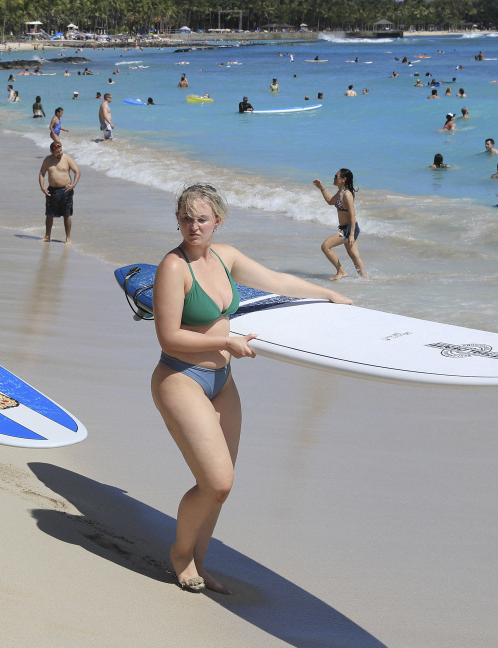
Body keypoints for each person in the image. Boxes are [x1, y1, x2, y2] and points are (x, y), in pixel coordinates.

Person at [149, 184, 351, 592]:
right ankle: (180, 553)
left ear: (216, 221)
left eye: (202, 219)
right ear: (177, 220)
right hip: (180, 378)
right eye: (186, 218)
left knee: (219, 490)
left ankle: (199, 564)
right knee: (217, 482)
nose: (193, 226)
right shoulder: (173, 267)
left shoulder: (226, 257)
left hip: (222, 382)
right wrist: (224, 342)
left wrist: (329, 293)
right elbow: (168, 337)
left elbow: (276, 280)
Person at [312, 169, 367, 280]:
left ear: (343, 179)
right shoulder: (340, 193)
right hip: (347, 228)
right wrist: (321, 188)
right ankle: (365, 280)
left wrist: (351, 234)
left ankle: (341, 271)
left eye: (336, 176)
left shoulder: (347, 194)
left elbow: (352, 215)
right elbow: (330, 201)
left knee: (325, 247)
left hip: (348, 229)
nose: (334, 178)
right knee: (354, 256)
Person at [39, 140, 80, 244]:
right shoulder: (47, 160)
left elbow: (77, 172)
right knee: (49, 214)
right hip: (51, 190)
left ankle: (68, 238)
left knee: (67, 214)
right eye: (57, 152)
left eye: (61, 151)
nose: (60, 153)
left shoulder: (67, 158)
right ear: (52, 151)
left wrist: (73, 184)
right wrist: (42, 187)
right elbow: (42, 174)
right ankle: (47, 236)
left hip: (66, 190)